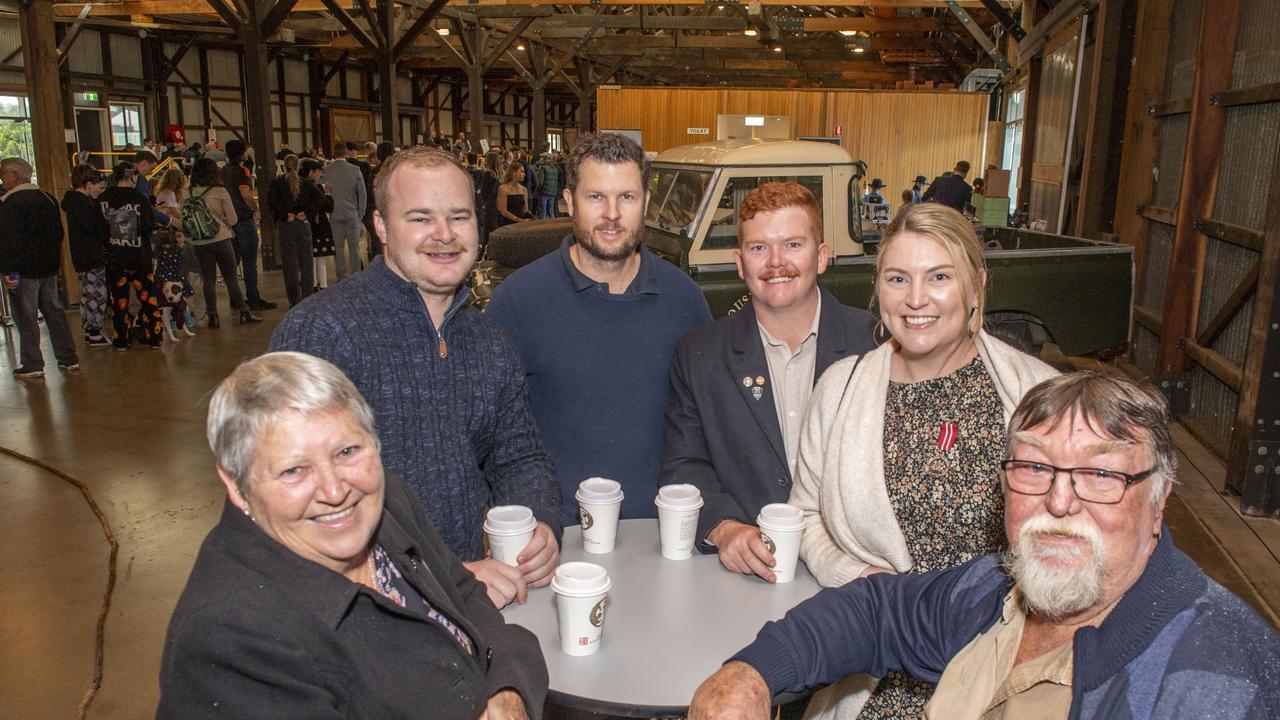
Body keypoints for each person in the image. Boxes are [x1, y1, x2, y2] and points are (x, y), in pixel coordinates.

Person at [689, 371, 1280, 720]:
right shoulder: (993, 591)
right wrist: (751, 674)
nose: (1059, 502)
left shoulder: (1216, 677)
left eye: (1101, 475)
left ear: (1160, 501)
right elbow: (878, 610)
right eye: (1033, 468)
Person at [156, 351, 548, 719]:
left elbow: (467, 597)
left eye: (346, 452)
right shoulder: (229, 642)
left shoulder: (387, 502)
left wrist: (507, 693)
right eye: (293, 470)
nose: (334, 491)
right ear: (237, 485)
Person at [786, 201, 1057, 718]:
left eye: (939, 276)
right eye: (897, 278)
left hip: (1005, 673)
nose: (915, 300)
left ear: (977, 284)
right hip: (881, 670)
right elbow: (804, 514)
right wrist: (849, 573)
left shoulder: (1038, 394)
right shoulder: (840, 389)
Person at [270, 147, 561, 609]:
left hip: (473, 605)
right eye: (420, 218)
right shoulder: (321, 334)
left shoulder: (490, 342)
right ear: (381, 226)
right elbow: (297, 506)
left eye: (459, 217)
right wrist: (441, 578)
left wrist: (541, 523)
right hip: (364, 618)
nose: (444, 235)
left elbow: (518, 454)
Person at [486, 133, 712, 524]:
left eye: (626, 197)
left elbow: (708, 429)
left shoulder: (686, 302)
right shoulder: (516, 303)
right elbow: (487, 435)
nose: (612, 213)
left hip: (663, 537)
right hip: (554, 540)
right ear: (569, 201)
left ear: (646, 203)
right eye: (596, 197)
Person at [660, 182, 877, 583]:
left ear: (822, 256)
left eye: (793, 244)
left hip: (859, 574)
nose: (776, 262)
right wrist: (725, 527)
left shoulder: (874, 347)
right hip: (747, 577)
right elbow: (684, 465)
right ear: (740, 263)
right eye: (759, 248)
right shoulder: (699, 355)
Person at [0, 157, 80, 377]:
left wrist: (7, 270)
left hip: (21, 271)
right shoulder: (48, 199)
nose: (1, 178)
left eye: (3, 173)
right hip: (49, 268)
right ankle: (68, 357)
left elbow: (8, 240)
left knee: (25, 317)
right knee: (55, 312)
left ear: (14, 176)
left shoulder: (9, 204)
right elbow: (59, 234)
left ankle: (33, 363)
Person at [187, 158, 261, 328]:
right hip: (220, 238)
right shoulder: (220, 191)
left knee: (208, 279)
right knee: (230, 278)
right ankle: (244, 312)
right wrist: (223, 224)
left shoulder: (188, 192)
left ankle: (213, 316)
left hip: (198, 241)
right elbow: (233, 219)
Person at [99, 161, 163, 350]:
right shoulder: (139, 199)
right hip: (139, 257)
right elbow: (148, 225)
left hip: (115, 258)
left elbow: (100, 229)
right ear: (133, 177)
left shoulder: (103, 199)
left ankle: (120, 340)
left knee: (119, 301)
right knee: (148, 299)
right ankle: (155, 338)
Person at [220, 139, 277, 311]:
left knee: (233, 260)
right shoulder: (242, 170)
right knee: (250, 261)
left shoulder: (223, 171)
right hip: (244, 218)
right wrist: (255, 208)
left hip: (229, 220)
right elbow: (245, 193)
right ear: (242, 153)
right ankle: (253, 298)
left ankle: (235, 298)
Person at [61, 164, 112, 348]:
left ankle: (92, 329)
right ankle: (93, 331)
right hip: (91, 256)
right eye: (99, 187)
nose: (100, 191)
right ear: (88, 184)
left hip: (84, 256)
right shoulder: (82, 204)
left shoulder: (75, 202)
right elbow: (93, 228)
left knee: (90, 292)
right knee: (96, 293)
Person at [267, 154, 323, 307]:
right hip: (302, 224)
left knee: (290, 264)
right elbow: (320, 198)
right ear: (298, 167)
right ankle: (308, 299)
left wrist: (284, 215)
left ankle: (293, 301)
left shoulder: (277, 183)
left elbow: (271, 202)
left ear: (284, 167)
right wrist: (307, 213)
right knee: (306, 263)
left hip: (286, 226)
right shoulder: (305, 183)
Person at [152, 167, 196, 342]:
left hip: (163, 239)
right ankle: (184, 319)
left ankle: (176, 320)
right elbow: (176, 215)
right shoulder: (169, 195)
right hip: (170, 236)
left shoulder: (160, 193)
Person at [323, 142, 368, 280]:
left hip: (335, 214)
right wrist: (361, 212)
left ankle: (341, 275)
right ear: (346, 153)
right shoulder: (355, 170)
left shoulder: (326, 171)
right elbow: (362, 193)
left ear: (333, 153)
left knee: (338, 247)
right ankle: (356, 275)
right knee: (354, 247)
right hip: (352, 214)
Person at [302, 158, 335, 292]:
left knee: (310, 259)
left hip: (305, 224)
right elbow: (327, 207)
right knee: (319, 259)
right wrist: (328, 193)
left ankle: (313, 285)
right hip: (318, 225)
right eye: (318, 172)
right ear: (311, 172)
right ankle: (323, 285)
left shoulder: (299, 185)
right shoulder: (316, 188)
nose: (320, 175)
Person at [496, 163, 534, 227]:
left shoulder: (523, 189)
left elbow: (525, 210)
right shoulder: (503, 188)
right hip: (507, 224)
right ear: (514, 173)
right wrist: (519, 220)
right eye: (521, 171)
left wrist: (532, 218)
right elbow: (503, 211)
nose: (524, 174)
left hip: (521, 223)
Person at [532, 151, 560, 219]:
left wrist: (537, 189)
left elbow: (540, 181)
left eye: (543, 158)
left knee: (543, 211)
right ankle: (552, 226)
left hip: (544, 193)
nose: (541, 160)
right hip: (552, 193)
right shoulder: (555, 169)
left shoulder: (543, 168)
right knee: (551, 212)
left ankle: (542, 227)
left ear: (547, 159)